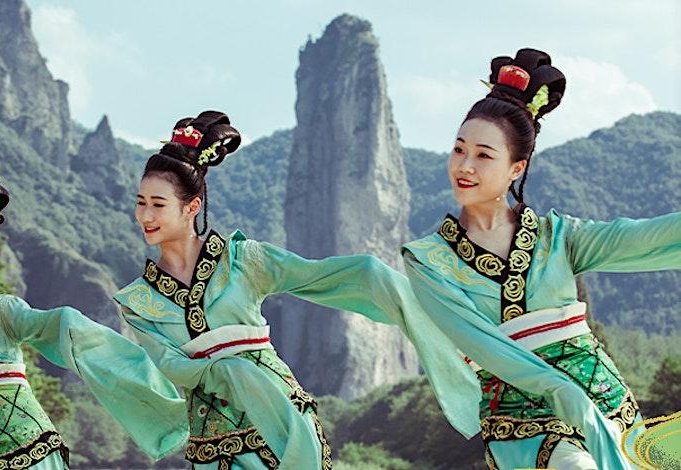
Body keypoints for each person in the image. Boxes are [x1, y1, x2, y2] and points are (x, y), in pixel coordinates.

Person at [115, 110, 480, 469]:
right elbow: (171, 365)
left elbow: (320, 276)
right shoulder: (139, 300)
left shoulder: (243, 261)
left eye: (158, 205)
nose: (146, 216)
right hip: (213, 447)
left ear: (191, 207)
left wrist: (376, 276)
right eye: (141, 203)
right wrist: (230, 371)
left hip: (285, 427)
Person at [402, 48, 680, 469]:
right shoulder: (428, 260)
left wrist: (581, 402)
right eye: (459, 149)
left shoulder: (558, 238)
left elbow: (647, 236)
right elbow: (485, 346)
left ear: (517, 167)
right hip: (524, 422)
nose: (465, 165)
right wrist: (561, 392)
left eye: (484, 155)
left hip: (606, 407)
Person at [0, 170, 188, 469]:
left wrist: (65, 323)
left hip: (32, 453)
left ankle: (167, 409)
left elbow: (57, 325)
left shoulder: (1, 312)